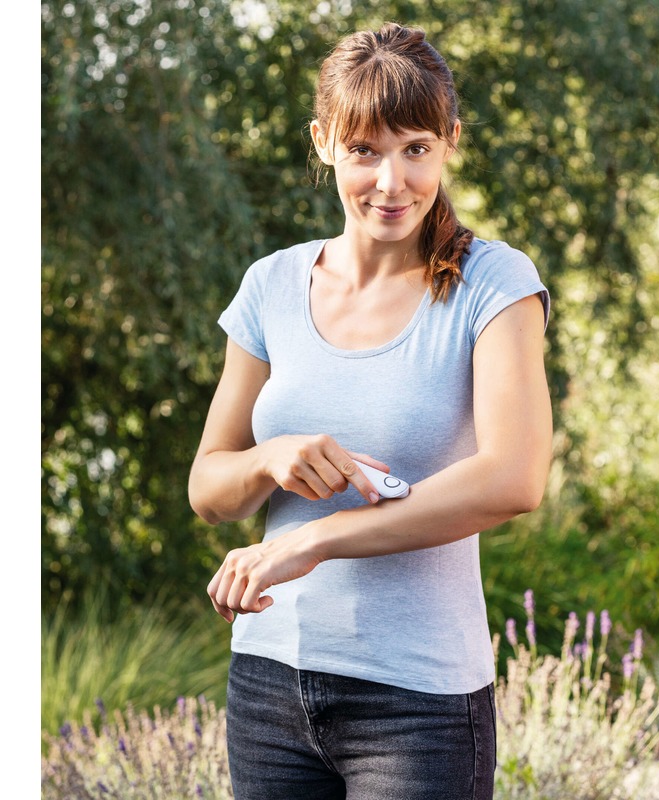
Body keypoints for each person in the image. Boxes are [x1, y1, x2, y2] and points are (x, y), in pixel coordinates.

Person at [188, 22, 552, 800]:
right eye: (364, 150)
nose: (392, 181)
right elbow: (209, 489)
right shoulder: (271, 285)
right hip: (268, 687)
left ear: (449, 143)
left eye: (416, 148)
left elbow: (515, 478)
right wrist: (270, 458)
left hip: (417, 705)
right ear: (323, 142)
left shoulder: (493, 284)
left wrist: (314, 542)